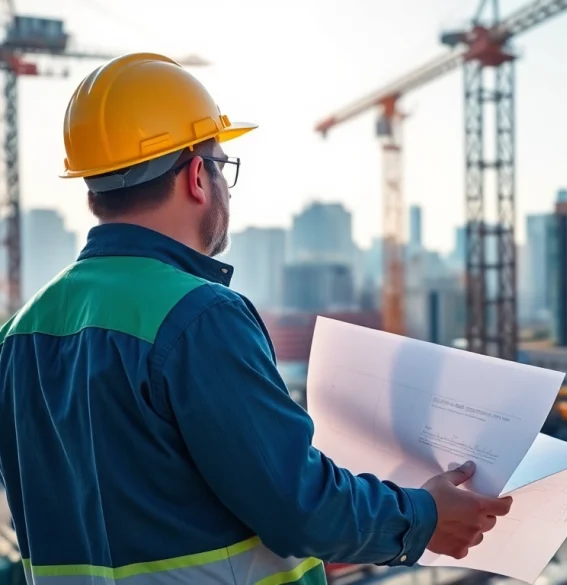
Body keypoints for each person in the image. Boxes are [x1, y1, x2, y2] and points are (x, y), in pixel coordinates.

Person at [0, 53, 512, 585]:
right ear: (198, 175)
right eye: (223, 166)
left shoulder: (16, 336)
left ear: (93, 190)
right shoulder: (198, 318)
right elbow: (299, 505)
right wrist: (424, 517)